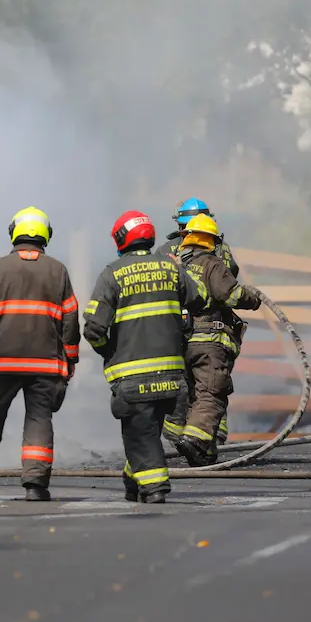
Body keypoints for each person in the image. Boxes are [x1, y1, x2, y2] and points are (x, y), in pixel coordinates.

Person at [83, 210, 206, 503]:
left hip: (132, 379)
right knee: (147, 433)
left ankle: (154, 488)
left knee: (140, 434)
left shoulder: (112, 274)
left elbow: (93, 329)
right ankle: (132, 478)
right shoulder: (170, 268)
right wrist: (180, 269)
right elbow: (200, 296)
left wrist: (107, 350)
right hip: (172, 379)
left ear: (121, 240)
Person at [0, 207, 80, 502]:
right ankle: (35, 485)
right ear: (45, 235)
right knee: (39, 421)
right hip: (45, 364)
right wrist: (71, 358)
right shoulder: (57, 270)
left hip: (0, 362)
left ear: (15, 233)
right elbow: (70, 319)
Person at [170, 214, 262, 466]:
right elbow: (231, 295)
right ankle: (194, 440)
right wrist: (252, 298)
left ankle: (204, 453)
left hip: (181, 342)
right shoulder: (212, 264)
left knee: (194, 394)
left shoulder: (178, 267)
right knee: (211, 393)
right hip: (208, 341)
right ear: (211, 240)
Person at [155, 197, 239, 449]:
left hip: (176, 329)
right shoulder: (220, 249)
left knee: (186, 382)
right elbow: (230, 281)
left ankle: (183, 434)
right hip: (211, 329)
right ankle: (206, 434)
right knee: (212, 384)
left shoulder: (165, 250)